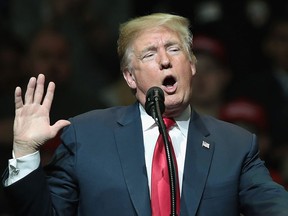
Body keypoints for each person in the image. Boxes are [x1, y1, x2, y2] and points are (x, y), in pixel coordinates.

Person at [1, 12, 288, 216]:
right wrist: (25, 153)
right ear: (129, 77)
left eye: (174, 50)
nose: (164, 60)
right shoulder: (86, 135)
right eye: (149, 54)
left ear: (191, 66)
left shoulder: (235, 146)